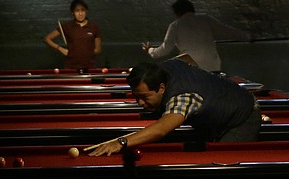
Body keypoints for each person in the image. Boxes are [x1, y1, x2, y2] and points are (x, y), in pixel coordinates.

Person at [87, 59, 261, 156]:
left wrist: (121, 142)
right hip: (220, 109)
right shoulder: (164, 67)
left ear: (161, 88)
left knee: (223, 164)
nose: (139, 103)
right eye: (136, 97)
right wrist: (203, 80)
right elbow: (186, 58)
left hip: (242, 116)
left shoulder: (183, 97)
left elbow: (161, 129)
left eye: (144, 97)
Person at [141, 0, 251, 72]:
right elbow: (226, 30)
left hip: (190, 68)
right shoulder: (205, 18)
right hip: (212, 66)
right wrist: (247, 37)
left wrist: (150, 51)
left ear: (177, 13)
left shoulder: (175, 25)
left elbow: (165, 48)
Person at [44, 0, 101, 71]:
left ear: (86, 11)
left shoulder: (94, 27)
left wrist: (84, 53)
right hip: (71, 67)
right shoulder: (67, 26)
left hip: (90, 67)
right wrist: (60, 48)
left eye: (82, 10)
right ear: (72, 13)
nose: (80, 14)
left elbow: (98, 49)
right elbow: (47, 39)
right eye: (77, 11)